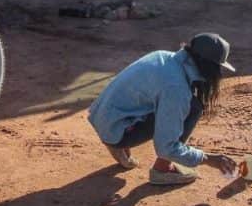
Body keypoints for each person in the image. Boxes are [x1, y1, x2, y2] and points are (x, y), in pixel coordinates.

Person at [88, 33, 239, 185]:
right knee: (193, 108)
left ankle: (118, 142)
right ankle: (162, 170)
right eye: (217, 68)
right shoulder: (176, 88)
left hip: (102, 117)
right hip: (116, 130)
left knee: (164, 103)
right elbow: (166, 147)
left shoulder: (163, 56)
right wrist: (208, 159)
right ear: (207, 66)